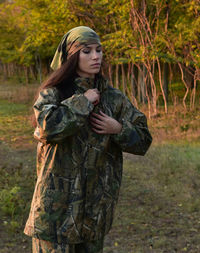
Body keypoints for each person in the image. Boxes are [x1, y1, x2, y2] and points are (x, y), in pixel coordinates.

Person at [24, 26, 152, 253]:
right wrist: (82, 102)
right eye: (86, 51)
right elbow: (46, 128)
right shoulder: (54, 93)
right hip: (54, 216)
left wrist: (118, 128)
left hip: (94, 215)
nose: (95, 56)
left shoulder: (113, 99)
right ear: (72, 56)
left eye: (99, 50)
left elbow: (143, 140)